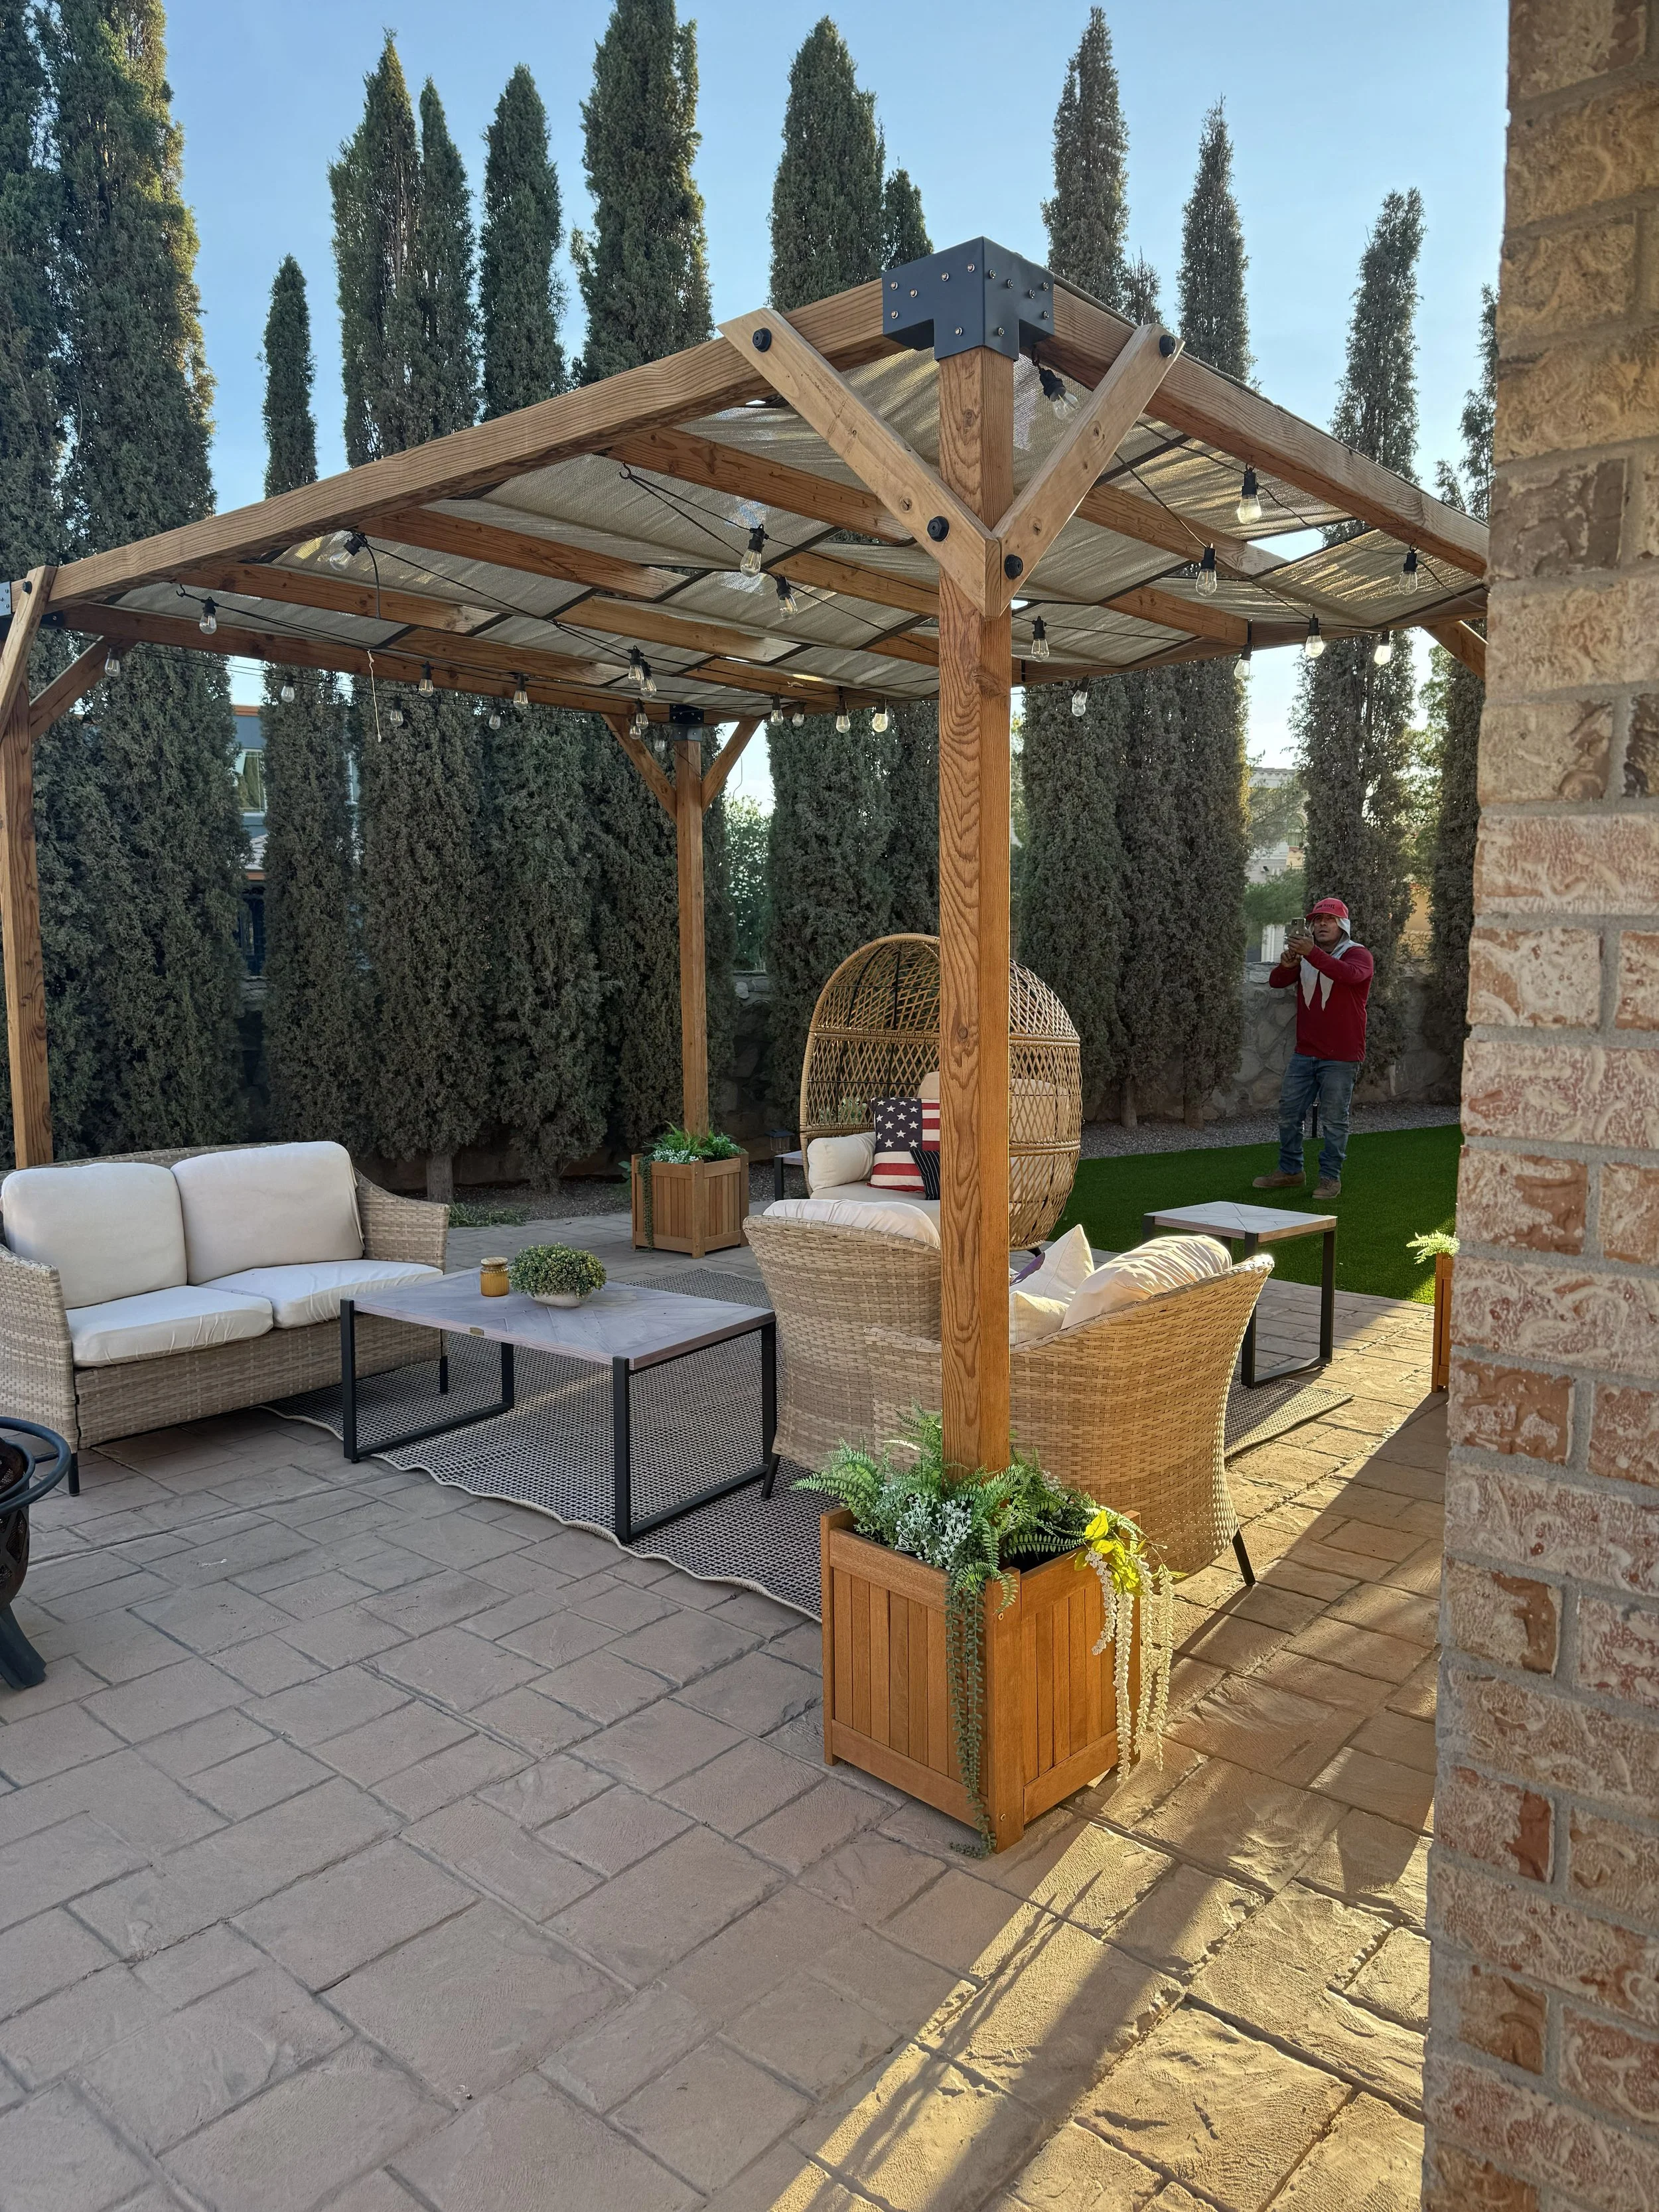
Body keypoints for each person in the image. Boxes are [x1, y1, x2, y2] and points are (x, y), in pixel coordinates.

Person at [1253, 897, 1374, 1199]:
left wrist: (1310, 954)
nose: (1321, 923)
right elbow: (1277, 982)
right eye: (1317, 919)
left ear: (1342, 925)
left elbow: (1348, 975)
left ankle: (1330, 1178)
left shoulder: (1359, 954)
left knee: (1335, 1119)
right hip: (1306, 1051)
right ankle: (1291, 1171)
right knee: (1289, 1113)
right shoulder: (1307, 956)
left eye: (1329, 919)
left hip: (1342, 1054)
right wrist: (1287, 964)